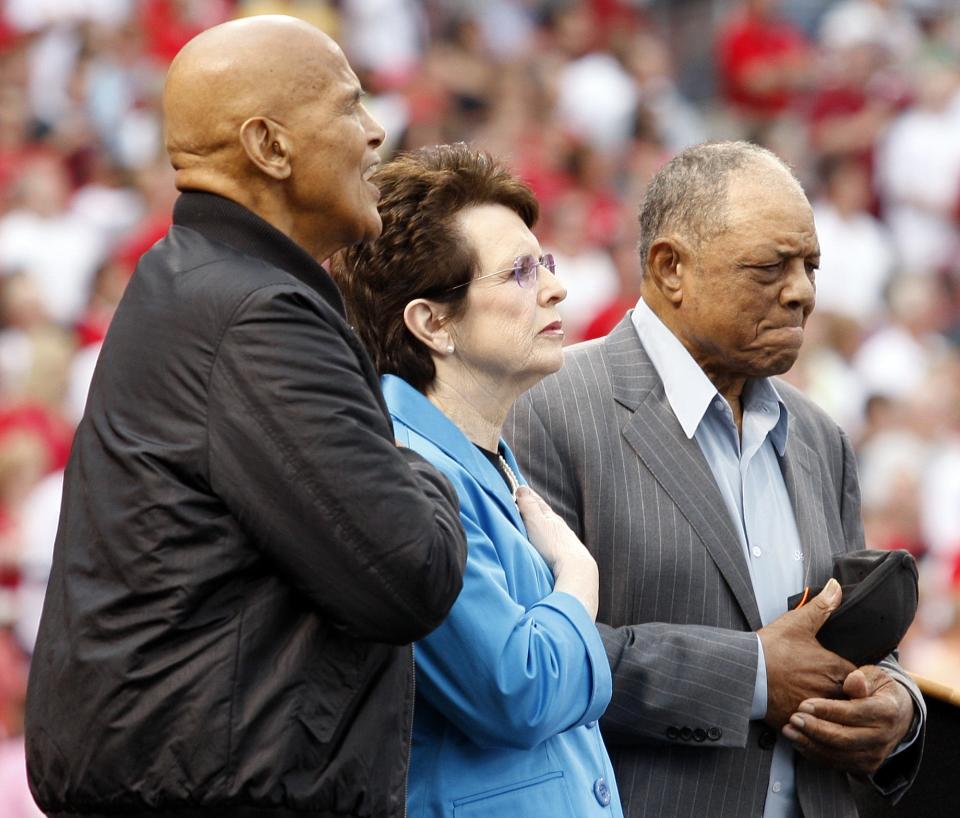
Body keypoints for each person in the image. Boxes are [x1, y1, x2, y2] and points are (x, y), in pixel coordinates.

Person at [25, 16, 467, 818]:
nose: (375, 134)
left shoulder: (197, 282)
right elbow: (407, 576)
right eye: (349, 106)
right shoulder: (255, 314)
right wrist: (425, 460)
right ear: (269, 146)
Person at [506, 141, 926, 818]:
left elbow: (855, 643)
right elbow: (527, 655)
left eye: (811, 266)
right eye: (771, 268)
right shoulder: (547, 409)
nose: (803, 293)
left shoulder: (822, 438)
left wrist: (896, 711)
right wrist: (753, 677)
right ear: (671, 268)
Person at [332, 143, 623, 818]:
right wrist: (578, 579)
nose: (556, 287)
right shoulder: (403, 472)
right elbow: (513, 691)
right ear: (432, 323)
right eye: (520, 273)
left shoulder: (480, 452)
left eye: (544, 263)